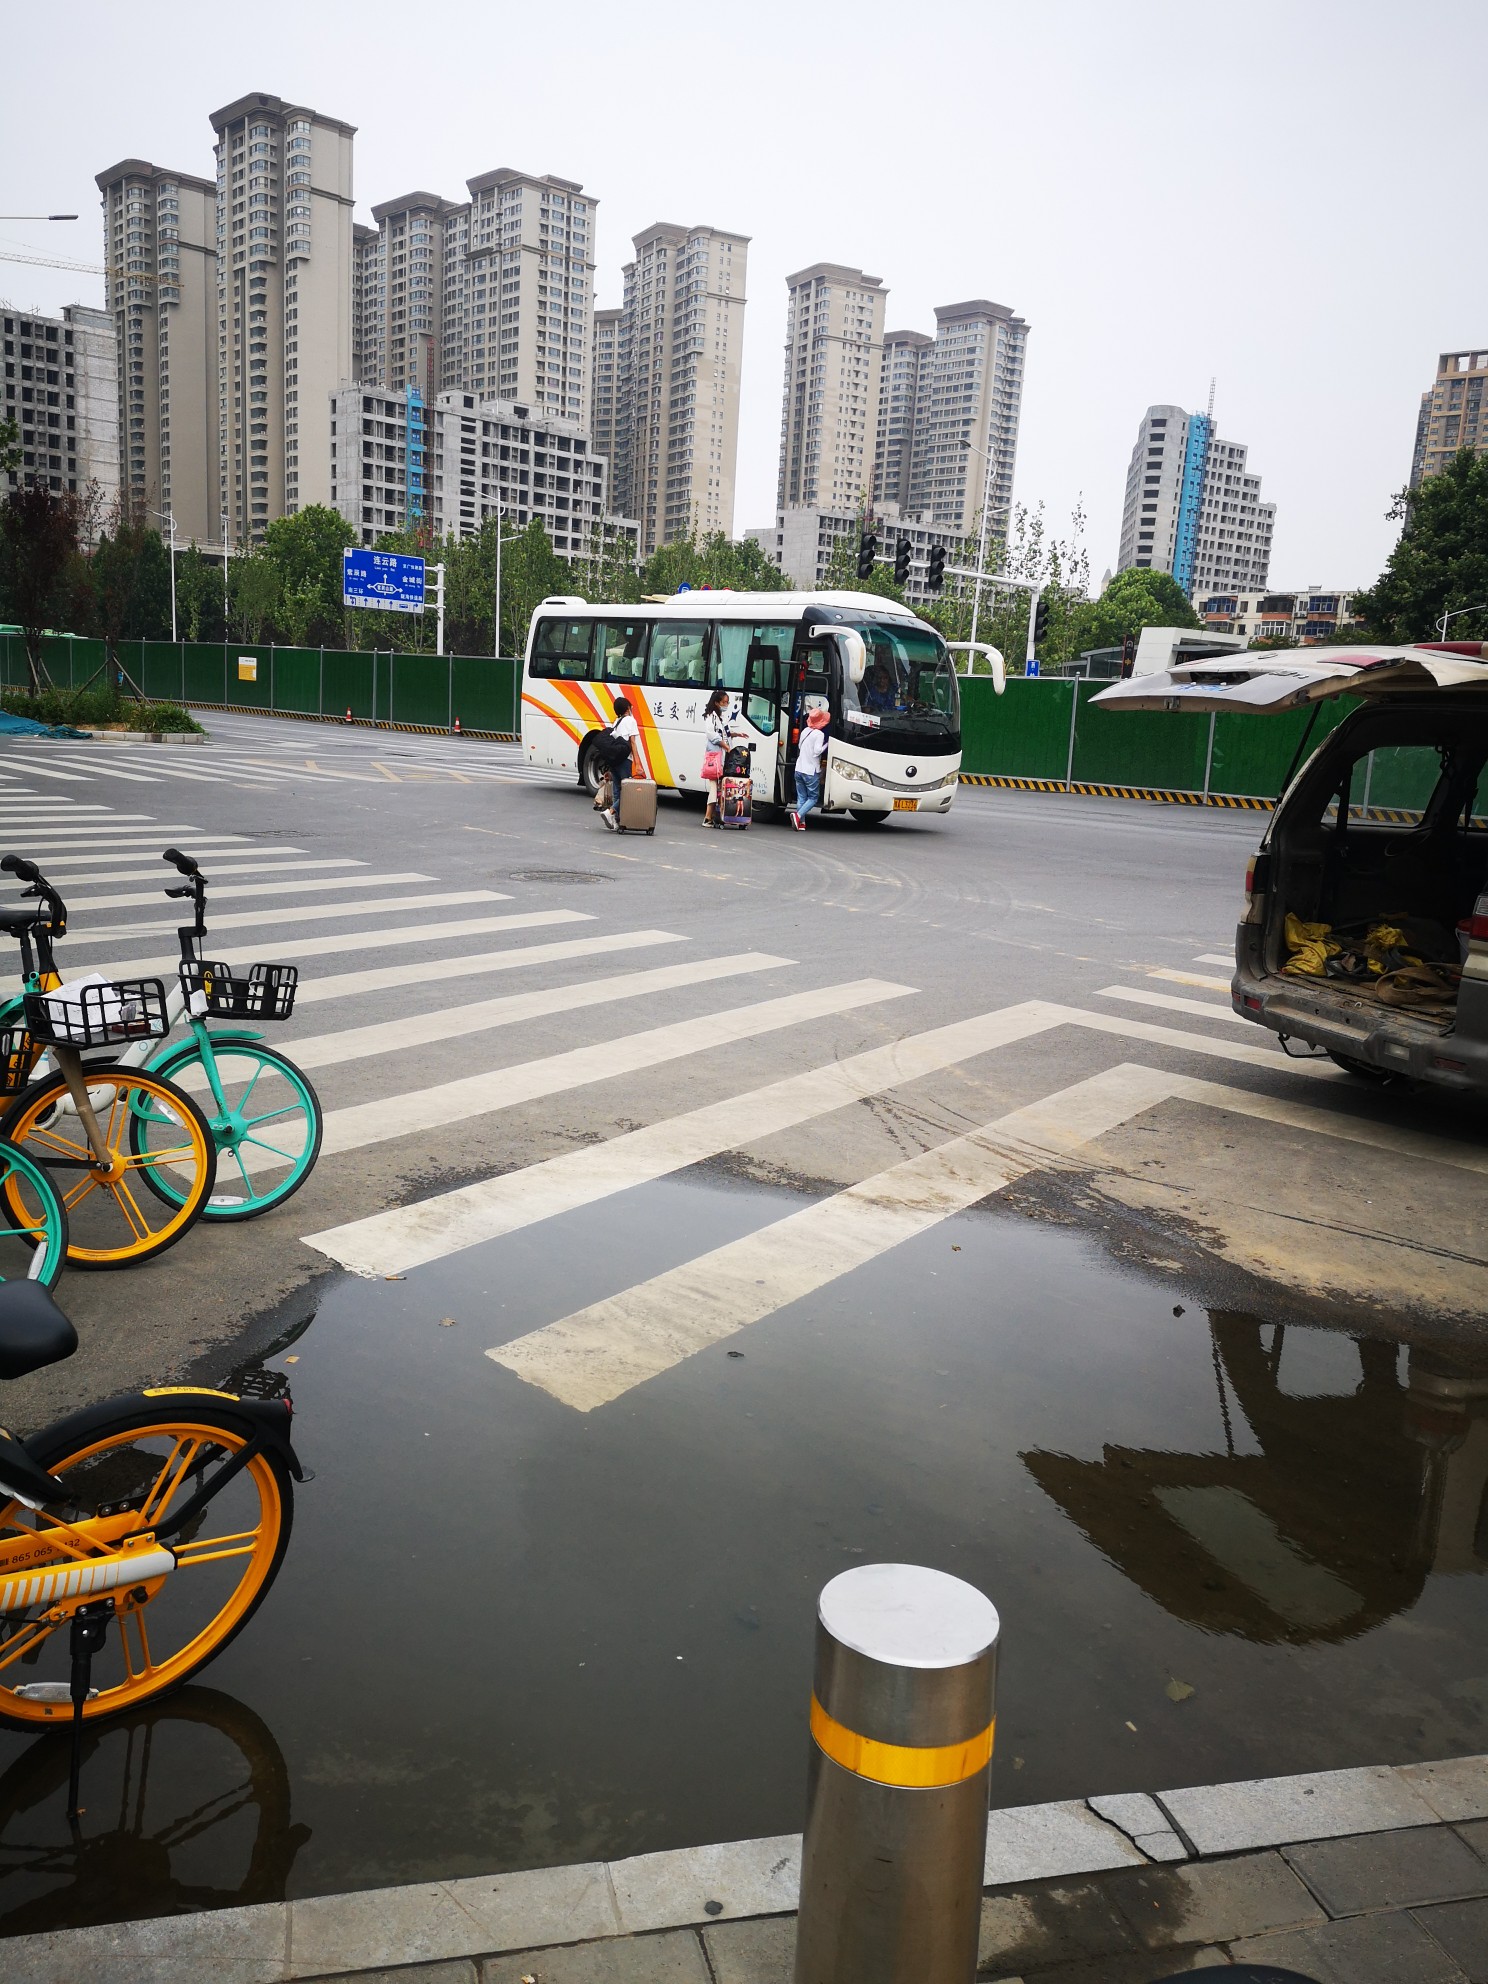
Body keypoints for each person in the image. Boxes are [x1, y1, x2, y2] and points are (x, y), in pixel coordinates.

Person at [597, 696, 640, 831]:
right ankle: (610, 812)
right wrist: (638, 763)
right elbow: (632, 742)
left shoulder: (616, 722)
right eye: (630, 706)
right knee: (627, 792)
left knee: (617, 790)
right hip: (625, 760)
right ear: (627, 708)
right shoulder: (631, 720)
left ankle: (617, 822)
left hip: (614, 760)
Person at [790, 708, 829, 831]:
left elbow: (800, 746)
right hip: (810, 771)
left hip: (799, 768)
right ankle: (798, 815)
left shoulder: (804, 731)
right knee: (813, 798)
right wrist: (827, 745)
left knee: (801, 797)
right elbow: (817, 751)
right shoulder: (819, 734)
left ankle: (801, 823)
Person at [700, 687, 732, 828]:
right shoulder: (711, 716)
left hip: (721, 756)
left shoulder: (719, 717)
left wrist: (736, 734)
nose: (727, 705)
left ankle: (713, 816)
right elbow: (712, 734)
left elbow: (724, 732)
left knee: (718, 786)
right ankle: (707, 817)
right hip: (715, 757)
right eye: (725, 702)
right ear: (718, 703)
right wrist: (725, 746)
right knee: (714, 786)